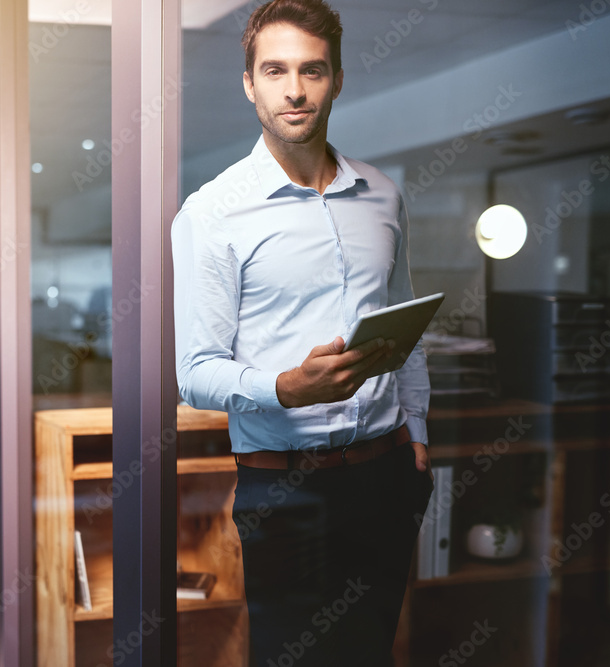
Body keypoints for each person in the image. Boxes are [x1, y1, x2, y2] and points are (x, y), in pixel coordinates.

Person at [171, 1, 434, 664]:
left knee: (370, 652)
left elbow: (406, 322)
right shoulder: (212, 212)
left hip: (384, 476)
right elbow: (196, 371)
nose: (294, 89)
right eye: (275, 70)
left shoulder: (383, 195)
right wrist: (286, 387)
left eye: (312, 70)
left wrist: (418, 435)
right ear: (249, 83)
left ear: (337, 79)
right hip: (283, 489)